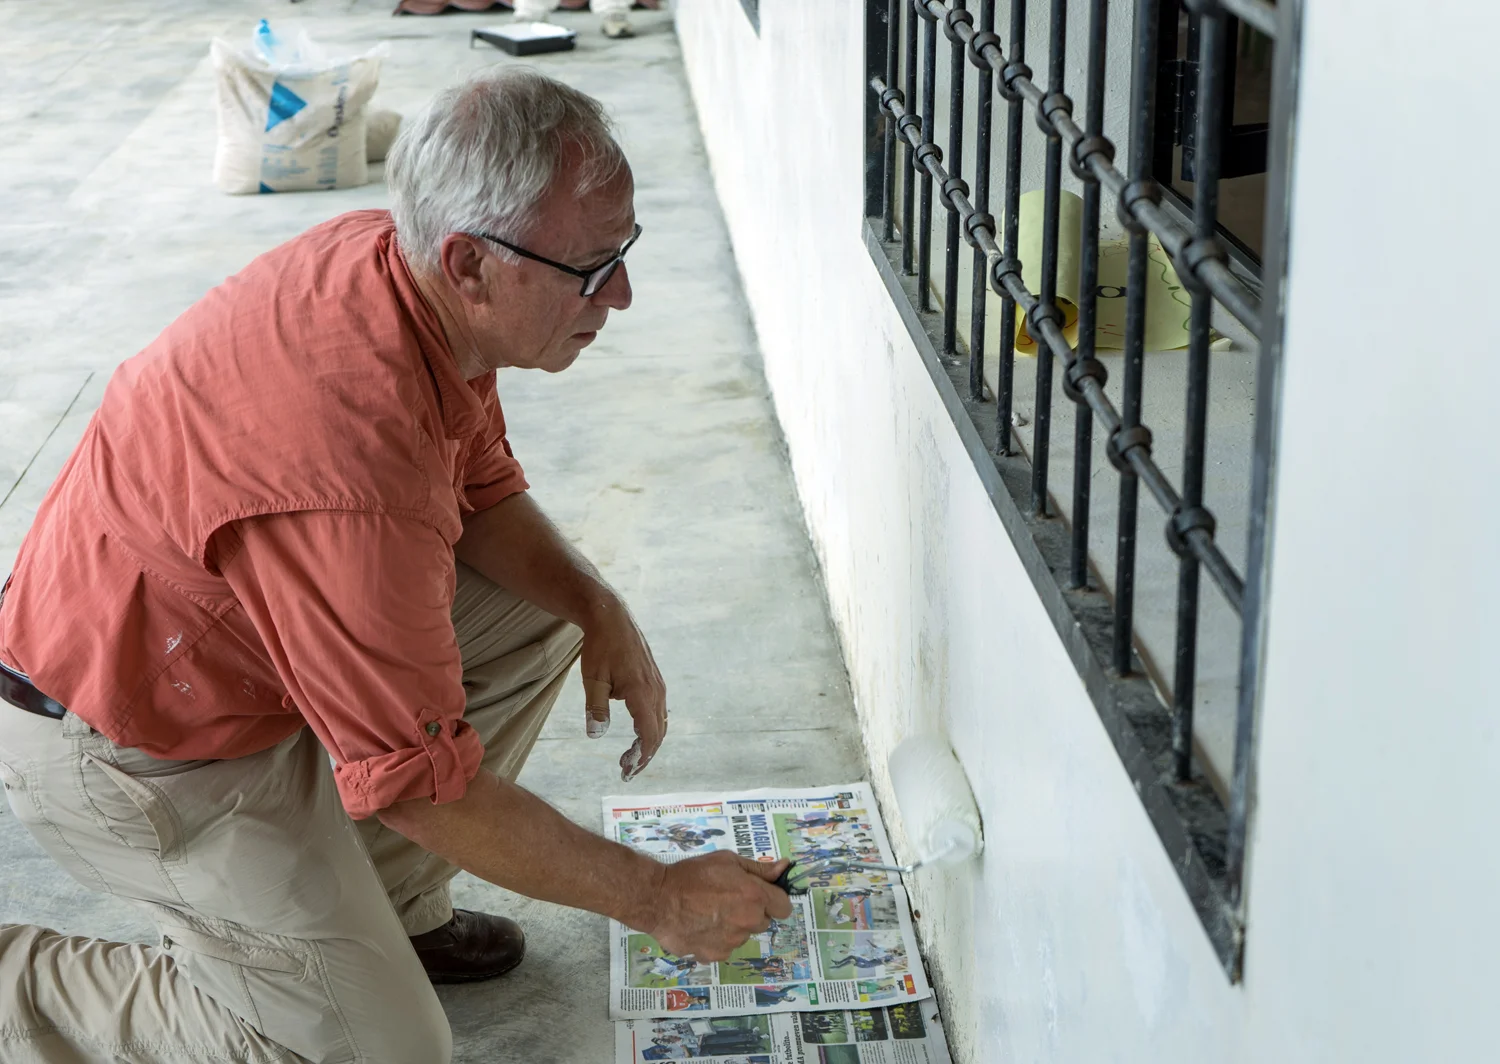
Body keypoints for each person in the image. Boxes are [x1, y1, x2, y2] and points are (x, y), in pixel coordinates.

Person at [0, 68, 791, 1064]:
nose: (622, 295)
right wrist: (657, 896)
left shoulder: (400, 272)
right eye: (593, 269)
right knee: (377, 1048)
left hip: (230, 665)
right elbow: (419, 785)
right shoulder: (351, 473)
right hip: (132, 746)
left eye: (623, 252)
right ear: (470, 263)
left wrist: (601, 607)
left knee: (546, 604)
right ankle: (29, 984)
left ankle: (389, 911)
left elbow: (483, 488)